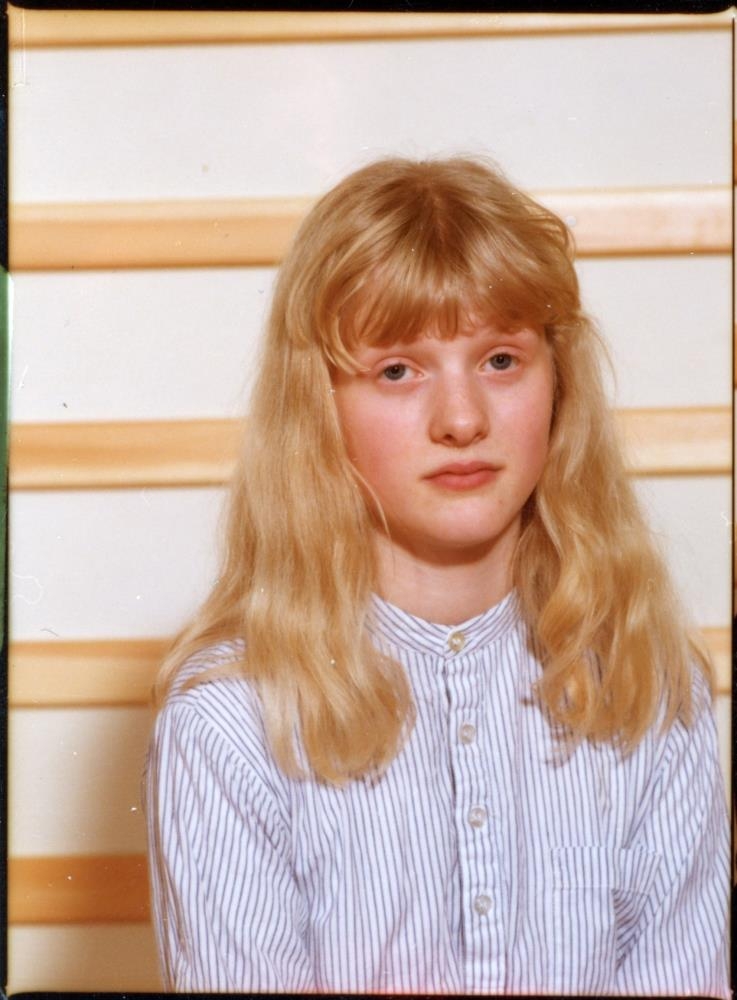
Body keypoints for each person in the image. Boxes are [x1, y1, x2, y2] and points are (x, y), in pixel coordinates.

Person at [144, 156, 729, 996]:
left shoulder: (649, 688)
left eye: (500, 361)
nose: (461, 420)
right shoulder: (229, 720)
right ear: (318, 409)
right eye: (397, 370)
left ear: (558, 386)